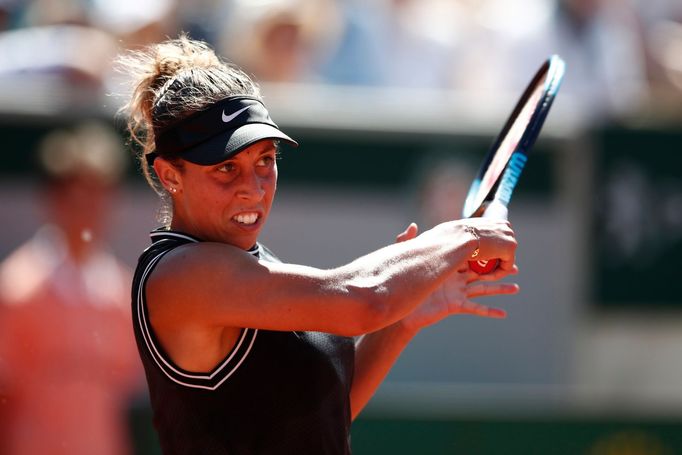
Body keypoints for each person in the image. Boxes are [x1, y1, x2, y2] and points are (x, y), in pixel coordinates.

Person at [118, 35, 519, 455]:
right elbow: (363, 300)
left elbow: (325, 415)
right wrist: (464, 234)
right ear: (170, 176)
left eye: (264, 161)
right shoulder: (182, 275)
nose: (252, 188)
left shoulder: (250, 266)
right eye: (226, 168)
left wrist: (403, 321)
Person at [0, 122, 143, 455]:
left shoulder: (122, 295)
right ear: (54, 199)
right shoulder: (15, 289)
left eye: (99, 193)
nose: (89, 207)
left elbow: (124, 391)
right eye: (77, 193)